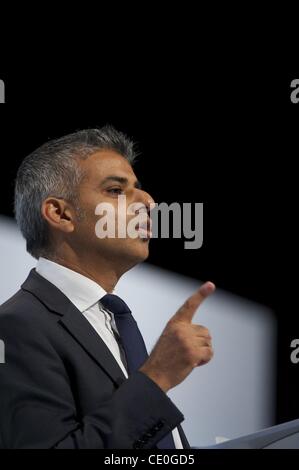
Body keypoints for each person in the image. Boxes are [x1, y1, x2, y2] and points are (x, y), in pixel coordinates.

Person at [0, 126, 215, 449]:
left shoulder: (111, 319)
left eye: (139, 188)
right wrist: (157, 377)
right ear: (60, 214)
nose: (148, 201)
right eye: (116, 190)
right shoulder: (16, 326)